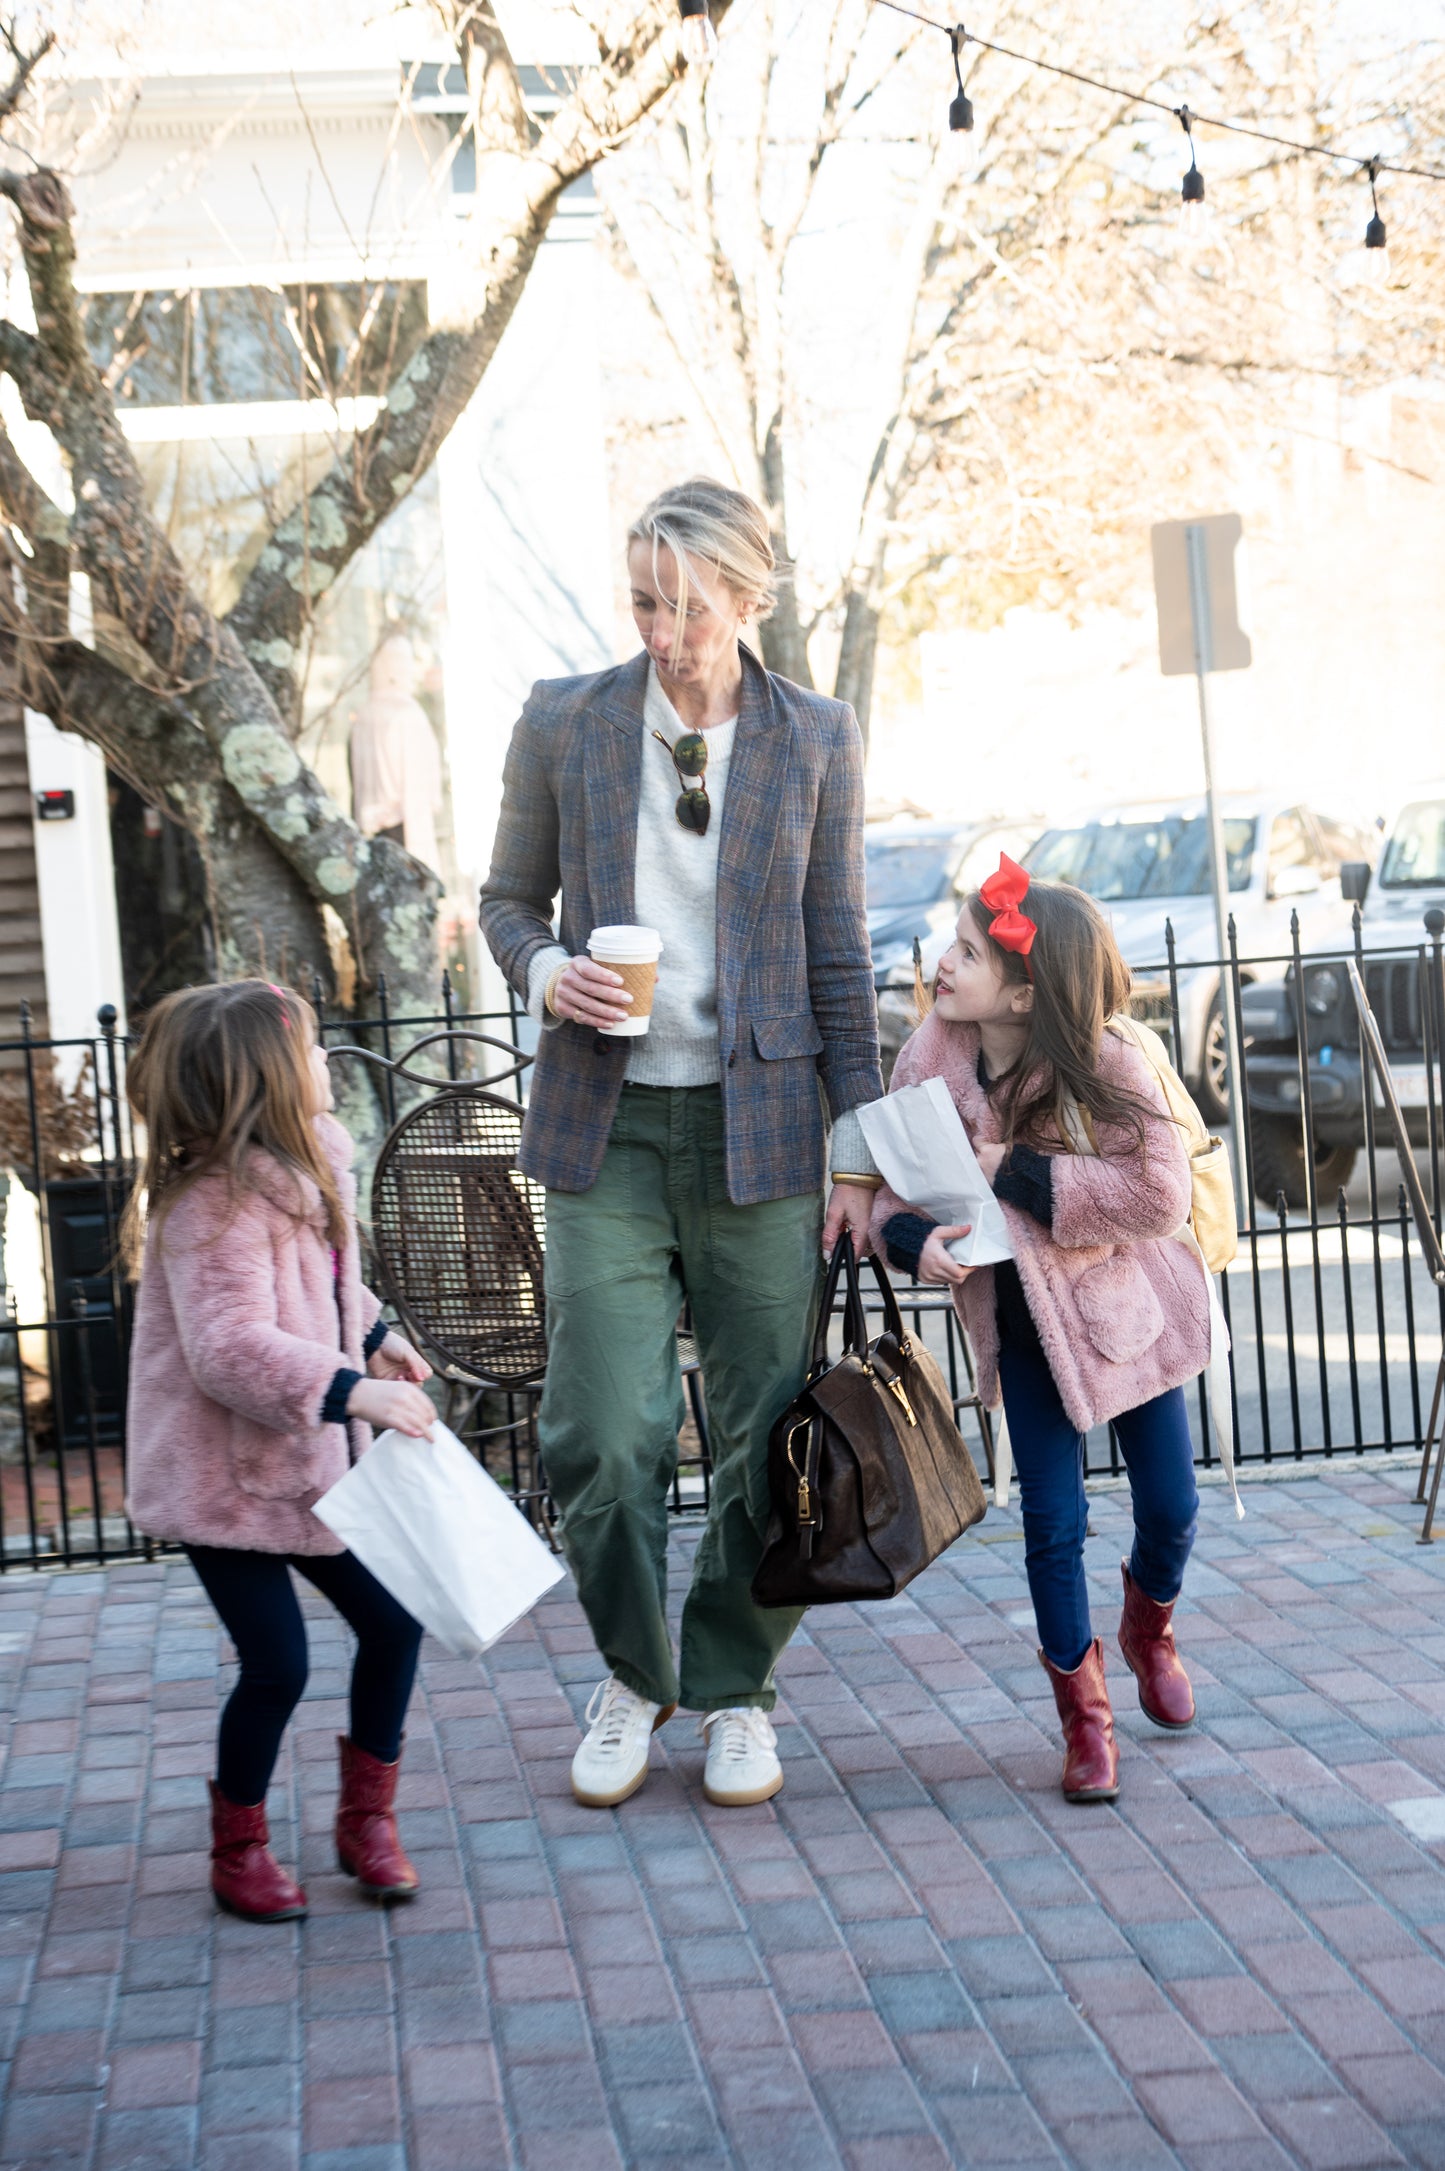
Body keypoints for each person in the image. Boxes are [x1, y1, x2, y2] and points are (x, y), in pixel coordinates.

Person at [478, 477, 883, 1811]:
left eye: (690, 606)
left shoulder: (814, 737)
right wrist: (544, 974)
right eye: (644, 600)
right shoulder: (565, 722)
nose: (662, 629)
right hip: (607, 1126)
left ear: (748, 599)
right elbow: (503, 900)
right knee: (600, 1426)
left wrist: (858, 1150)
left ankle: (737, 1685)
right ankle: (632, 1673)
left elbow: (838, 956)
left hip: (759, 1132)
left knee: (769, 1426)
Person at [869, 859, 1211, 1802]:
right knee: (1051, 1525)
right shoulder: (928, 1059)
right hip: (1017, 1325)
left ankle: (1150, 1626)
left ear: (1023, 990)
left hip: (1117, 1315)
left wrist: (1013, 1168)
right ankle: (1085, 1722)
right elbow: (894, 1192)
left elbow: (1156, 1194)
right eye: (950, 943)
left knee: (1172, 1506)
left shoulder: (1106, 1062)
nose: (941, 964)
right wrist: (909, 1241)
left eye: (967, 953)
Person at [122, 981, 438, 1921]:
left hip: (309, 1463)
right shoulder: (208, 1207)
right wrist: (351, 1388)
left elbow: (328, 1282)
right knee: (278, 1667)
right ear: (264, 1078)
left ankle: (365, 1822)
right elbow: (229, 1350)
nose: (326, 1062)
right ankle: (240, 1845)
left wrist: (374, 1332)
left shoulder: (310, 1166)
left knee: (392, 1622)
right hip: (221, 1479)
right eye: (309, 1050)